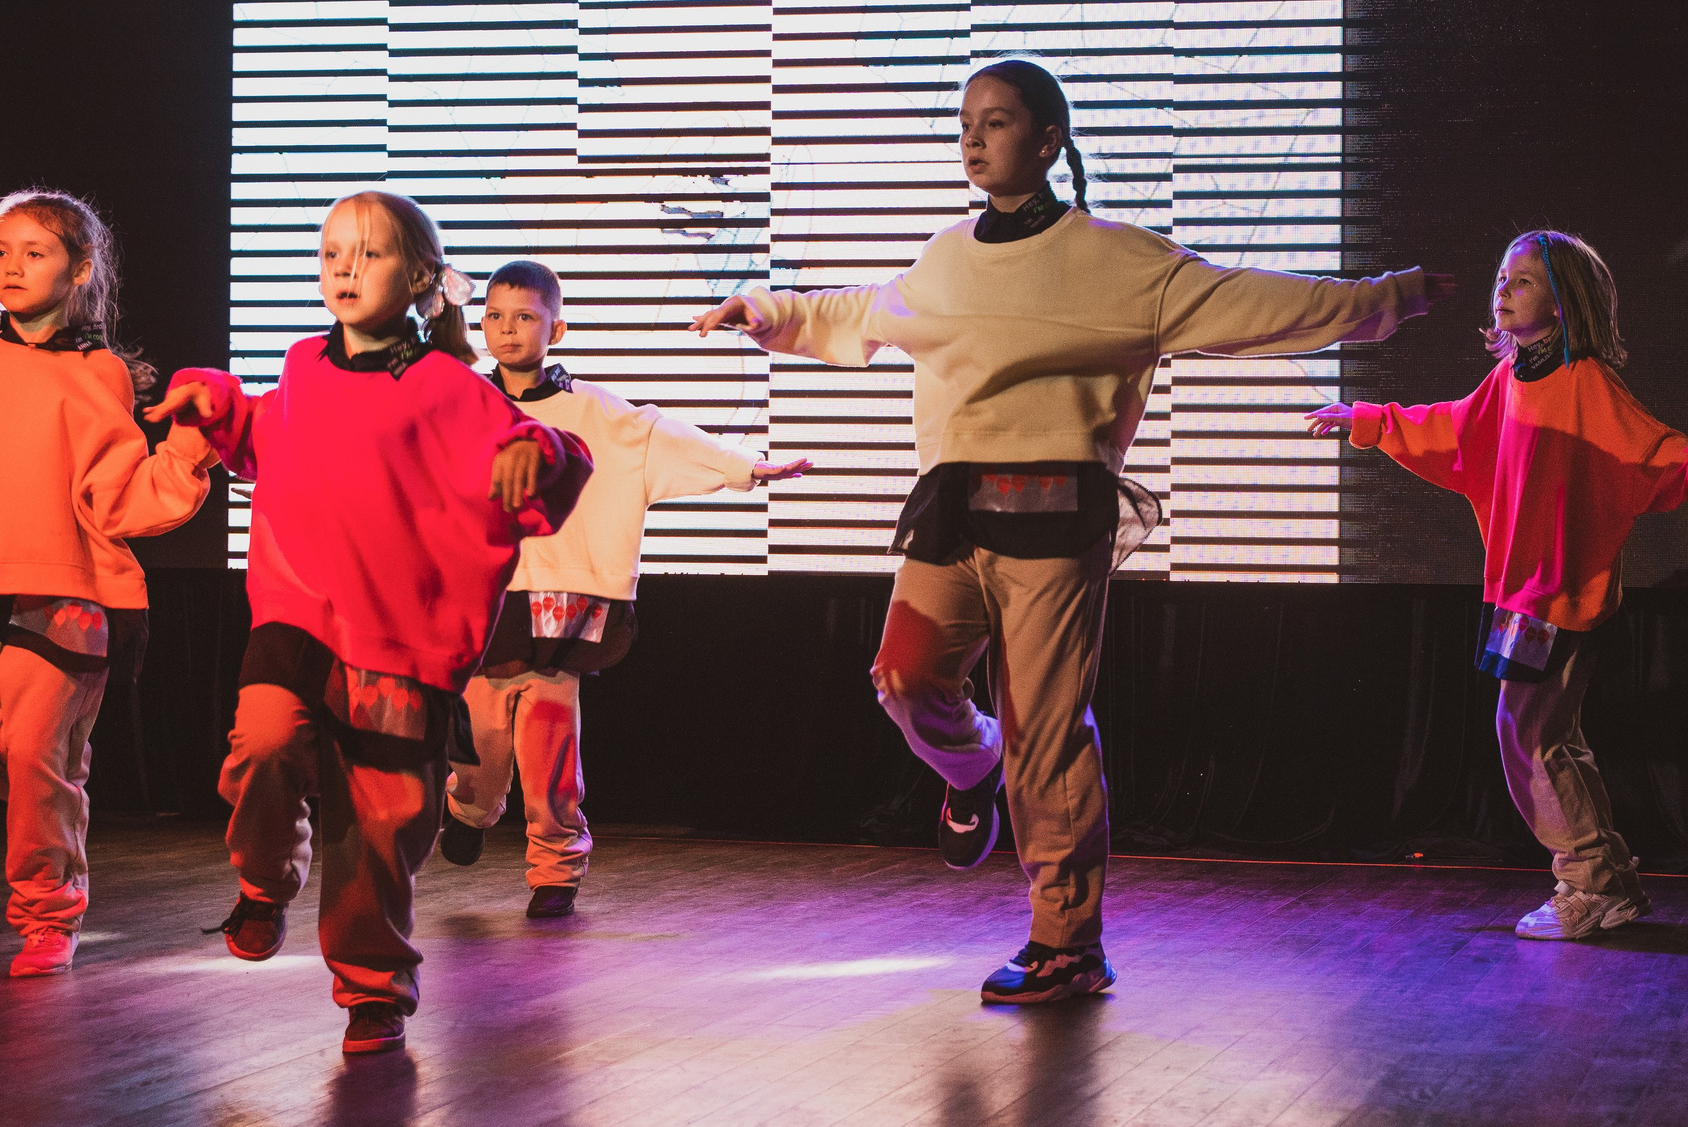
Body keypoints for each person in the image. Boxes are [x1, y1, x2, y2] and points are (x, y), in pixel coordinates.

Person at [692, 57, 1455, 1003]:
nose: (973, 138)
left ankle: (1067, 940)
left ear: (1048, 140)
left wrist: (1391, 297)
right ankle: (970, 772)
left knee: (1045, 727)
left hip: (1055, 519)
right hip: (951, 510)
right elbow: (857, 313)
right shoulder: (944, 258)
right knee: (903, 676)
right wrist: (763, 309)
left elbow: (1257, 299)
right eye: (966, 121)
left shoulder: (1119, 260)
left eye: (998, 121)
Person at [149, 192, 590, 1054]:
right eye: (330, 255)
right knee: (265, 741)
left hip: (401, 638)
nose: (345, 269)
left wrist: (535, 454)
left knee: (380, 825)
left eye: (369, 254)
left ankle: (374, 987)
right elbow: (261, 434)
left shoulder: (450, 390)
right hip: (299, 613)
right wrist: (218, 405)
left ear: (422, 278)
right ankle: (266, 880)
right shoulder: (304, 365)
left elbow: (556, 457)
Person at [1307, 230, 1688, 941]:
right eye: (1502, 277)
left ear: (1564, 298)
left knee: (1528, 736)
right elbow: (1450, 429)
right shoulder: (1511, 379)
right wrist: (1367, 419)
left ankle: (1587, 882)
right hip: (1521, 594)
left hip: (1559, 595)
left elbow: (1651, 448)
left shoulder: (1586, 383)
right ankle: (1604, 875)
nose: (1504, 289)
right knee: (1549, 736)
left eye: (1523, 280)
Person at [439, 258, 812, 917]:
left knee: (551, 743)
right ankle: (469, 807)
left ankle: (555, 868)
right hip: (484, 605)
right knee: (484, 741)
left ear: (558, 325)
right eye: (494, 315)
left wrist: (749, 467)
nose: (506, 329)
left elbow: (669, 442)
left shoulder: (600, 413)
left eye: (524, 316)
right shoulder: (457, 404)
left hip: (561, 604)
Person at [0, 189, 214, 978]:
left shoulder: (97, 375)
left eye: (35, 251)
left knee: (36, 755)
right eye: (2, 251)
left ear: (81, 269)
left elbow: (123, 497)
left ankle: (47, 912)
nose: (13, 266)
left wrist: (194, 443)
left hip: (59, 592)